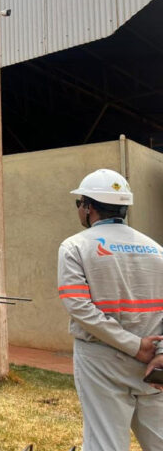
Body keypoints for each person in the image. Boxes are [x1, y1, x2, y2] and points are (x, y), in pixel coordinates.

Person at [59, 169, 163, 450]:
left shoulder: (75, 247)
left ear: (89, 207)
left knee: (105, 443)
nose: (79, 209)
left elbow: (78, 307)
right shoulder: (156, 250)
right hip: (153, 363)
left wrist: (133, 345)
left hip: (101, 361)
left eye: (79, 203)